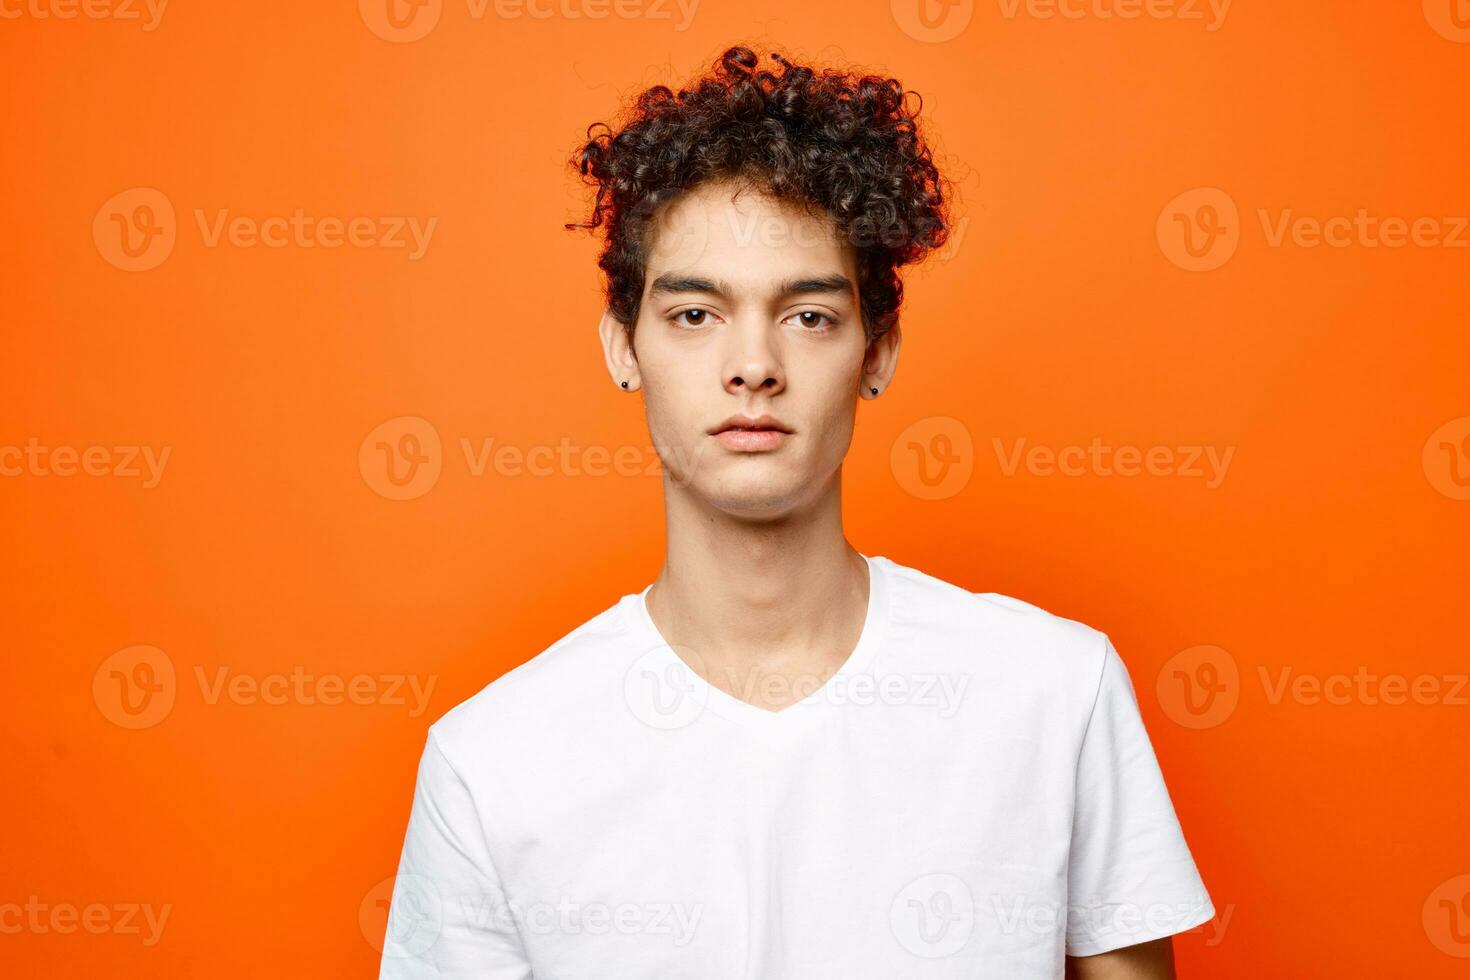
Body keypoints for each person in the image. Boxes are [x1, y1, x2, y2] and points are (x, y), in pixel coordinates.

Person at [379, 44, 1214, 979]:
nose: (753, 365)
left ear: (878, 351)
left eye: (808, 315)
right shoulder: (492, 762)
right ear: (624, 347)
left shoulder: (1055, 694)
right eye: (694, 314)